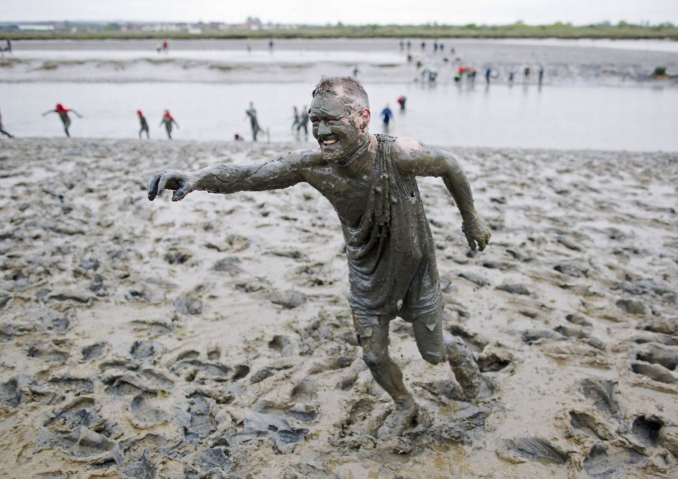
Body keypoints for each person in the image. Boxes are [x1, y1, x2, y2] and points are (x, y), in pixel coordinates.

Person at [147, 76, 491, 438]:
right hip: (365, 274)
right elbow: (249, 175)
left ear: (362, 117)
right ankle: (405, 403)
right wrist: (196, 177)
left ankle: (470, 375)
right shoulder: (311, 165)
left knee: (434, 352)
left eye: (331, 120)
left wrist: (472, 220)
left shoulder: (401, 154)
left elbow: (450, 165)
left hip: (416, 269)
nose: (321, 131)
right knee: (373, 356)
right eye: (315, 121)